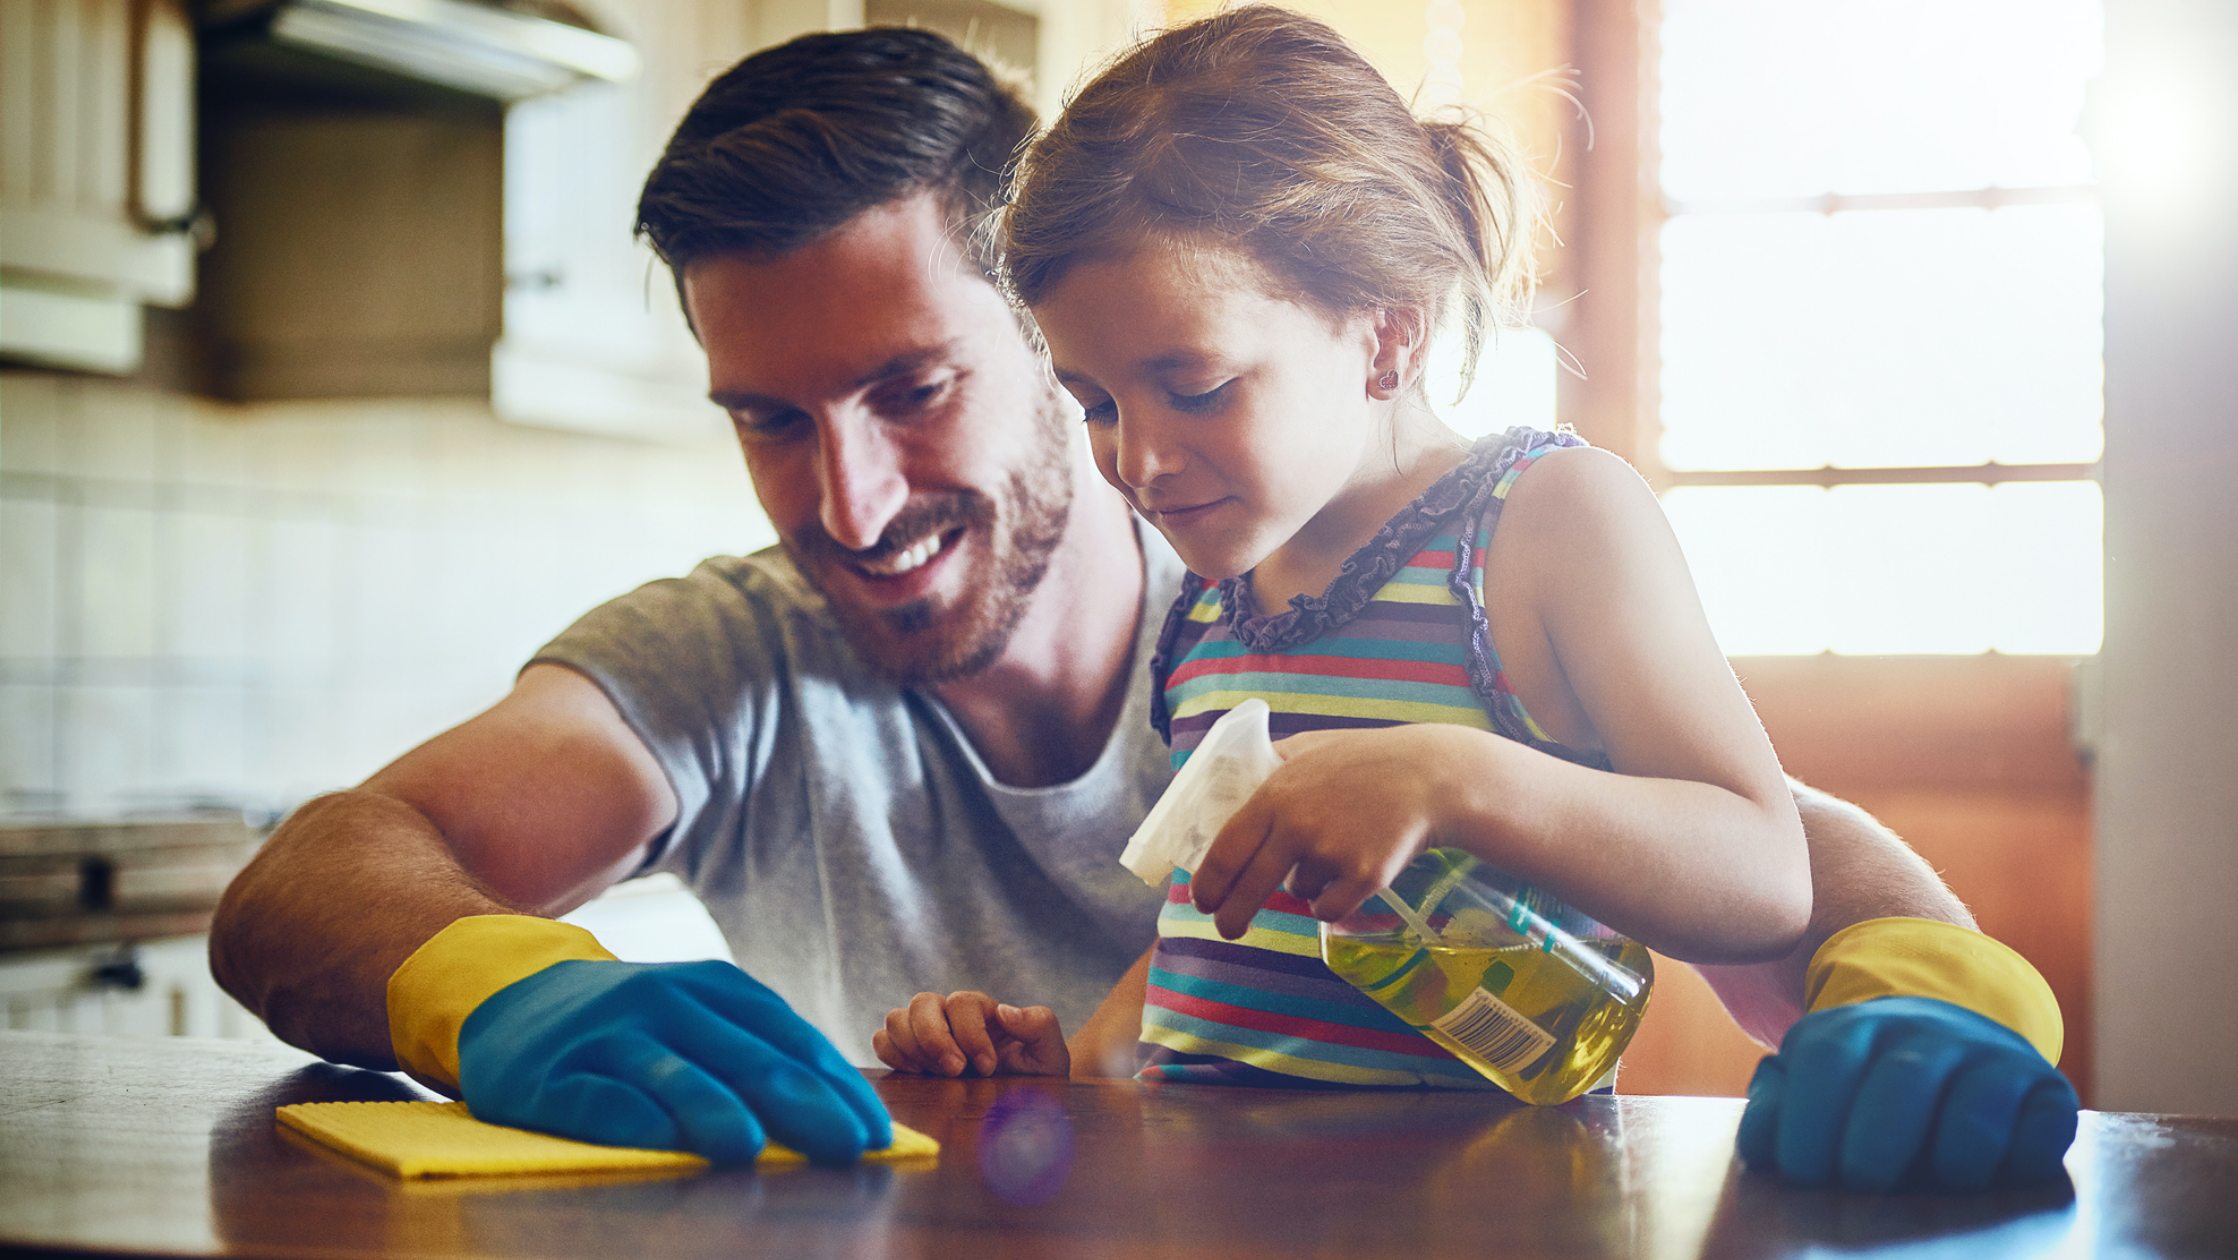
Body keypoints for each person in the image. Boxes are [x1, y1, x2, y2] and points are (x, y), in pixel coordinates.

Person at [206, 23, 2072, 1191]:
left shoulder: (1338, 541)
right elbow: (313, 878)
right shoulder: (764, 649)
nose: (844, 503)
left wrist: (1930, 987)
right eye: (769, 421)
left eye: (914, 389)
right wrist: (480, 985)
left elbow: (1765, 842)